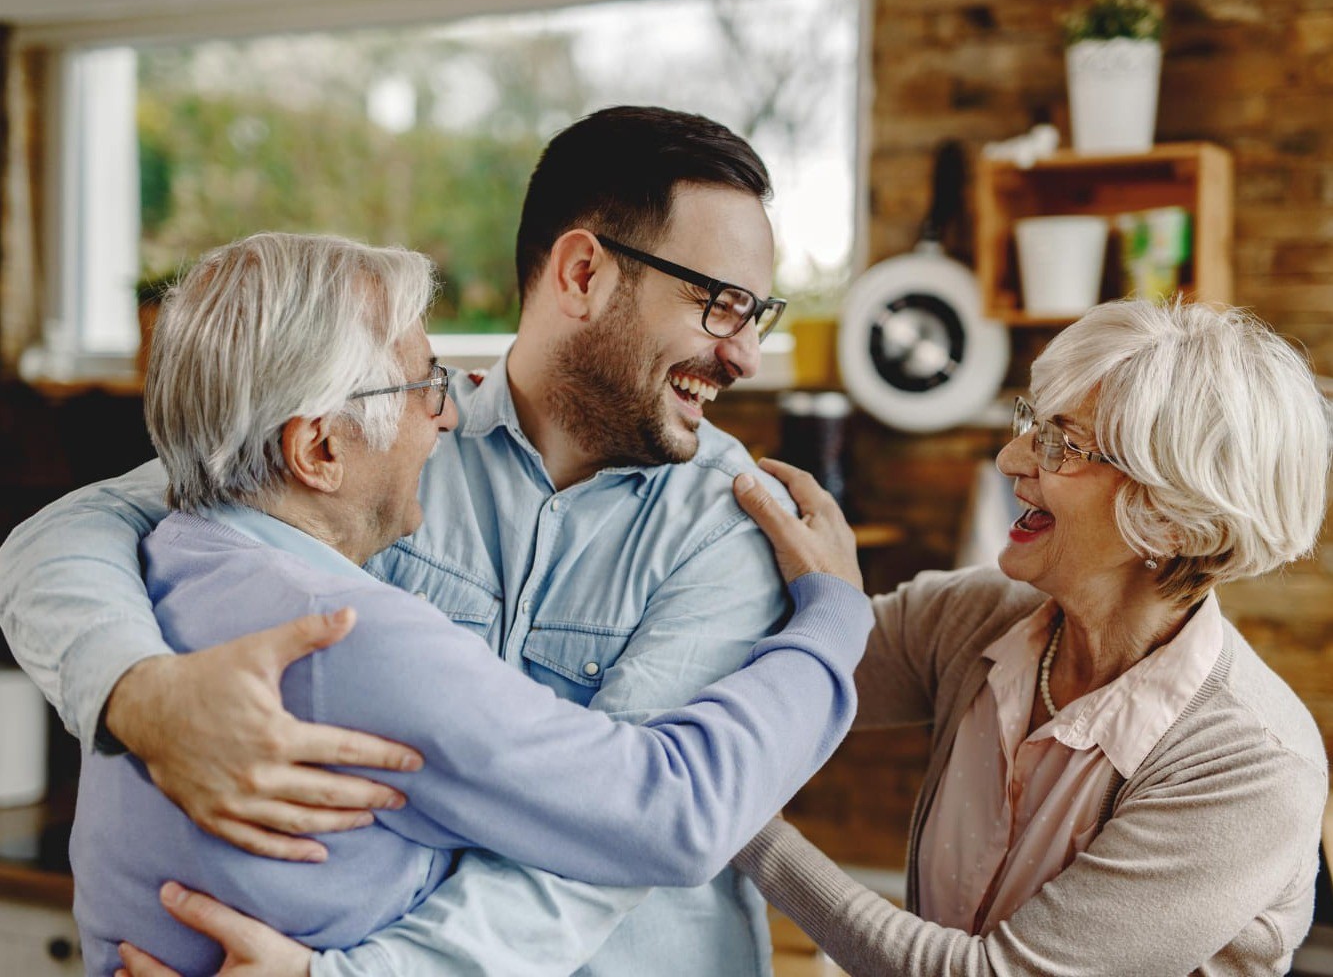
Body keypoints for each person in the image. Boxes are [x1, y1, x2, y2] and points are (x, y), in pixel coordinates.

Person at [0, 106, 804, 975]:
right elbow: (72, 532)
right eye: (717, 306)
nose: (747, 356)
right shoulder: (377, 432)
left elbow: (617, 837)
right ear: (582, 273)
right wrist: (139, 693)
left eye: (756, 313)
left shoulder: (735, 518)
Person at [726, 299, 1330, 976]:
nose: (1010, 458)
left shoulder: (1250, 769)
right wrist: (821, 604)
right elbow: (766, 678)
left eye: (1060, 444)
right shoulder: (975, 618)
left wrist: (730, 820)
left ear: (1171, 518)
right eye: (1030, 424)